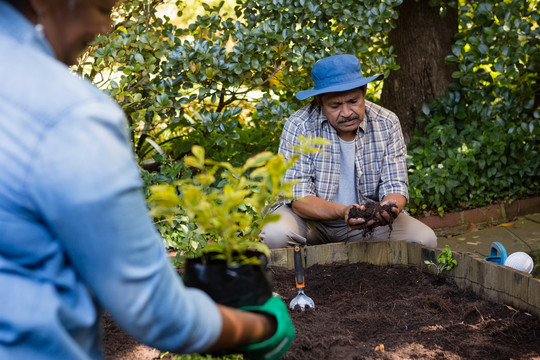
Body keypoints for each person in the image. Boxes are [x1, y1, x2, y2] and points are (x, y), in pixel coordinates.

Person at [0, 1, 294, 359]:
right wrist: (262, 327)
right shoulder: (67, 113)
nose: (107, 28)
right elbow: (156, 312)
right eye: (102, 7)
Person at [260, 54, 437, 249]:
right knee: (274, 235)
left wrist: (387, 209)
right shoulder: (299, 126)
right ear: (319, 101)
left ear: (364, 92)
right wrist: (344, 211)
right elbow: (299, 201)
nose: (346, 113)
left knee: (424, 240)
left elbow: (396, 184)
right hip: (311, 224)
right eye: (335, 105)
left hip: (366, 223)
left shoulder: (386, 122)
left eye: (353, 101)